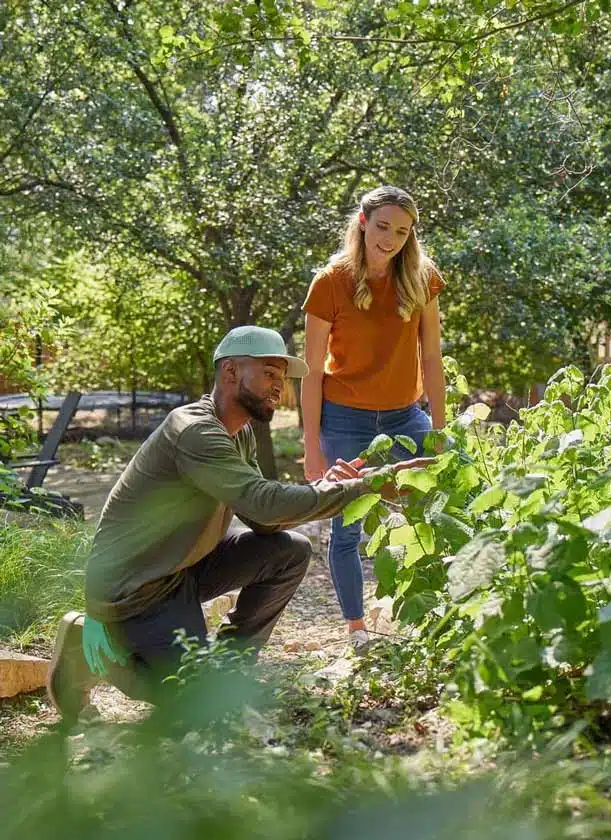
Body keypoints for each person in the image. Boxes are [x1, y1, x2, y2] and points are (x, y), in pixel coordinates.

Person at [47, 325, 432, 725]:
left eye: (281, 378)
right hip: (137, 587)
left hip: (182, 566)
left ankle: (227, 671)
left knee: (290, 551)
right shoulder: (193, 430)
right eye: (268, 373)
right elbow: (265, 504)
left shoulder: (239, 432)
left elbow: (264, 520)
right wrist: (369, 486)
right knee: (198, 705)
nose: (278, 387)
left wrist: (327, 488)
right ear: (230, 371)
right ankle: (85, 648)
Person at [301, 185, 446, 649]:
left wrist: (440, 430)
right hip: (344, 420)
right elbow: (310, 373)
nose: (390, 239)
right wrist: (311, 448)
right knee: (346, 528)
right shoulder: (330, 282)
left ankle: (435, 614)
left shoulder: (422, 279)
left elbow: (432, 359)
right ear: (363, 223)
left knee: (444, 500)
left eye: (402, 232)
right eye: (383, 227)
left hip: (406, 417)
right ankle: (357, 629)